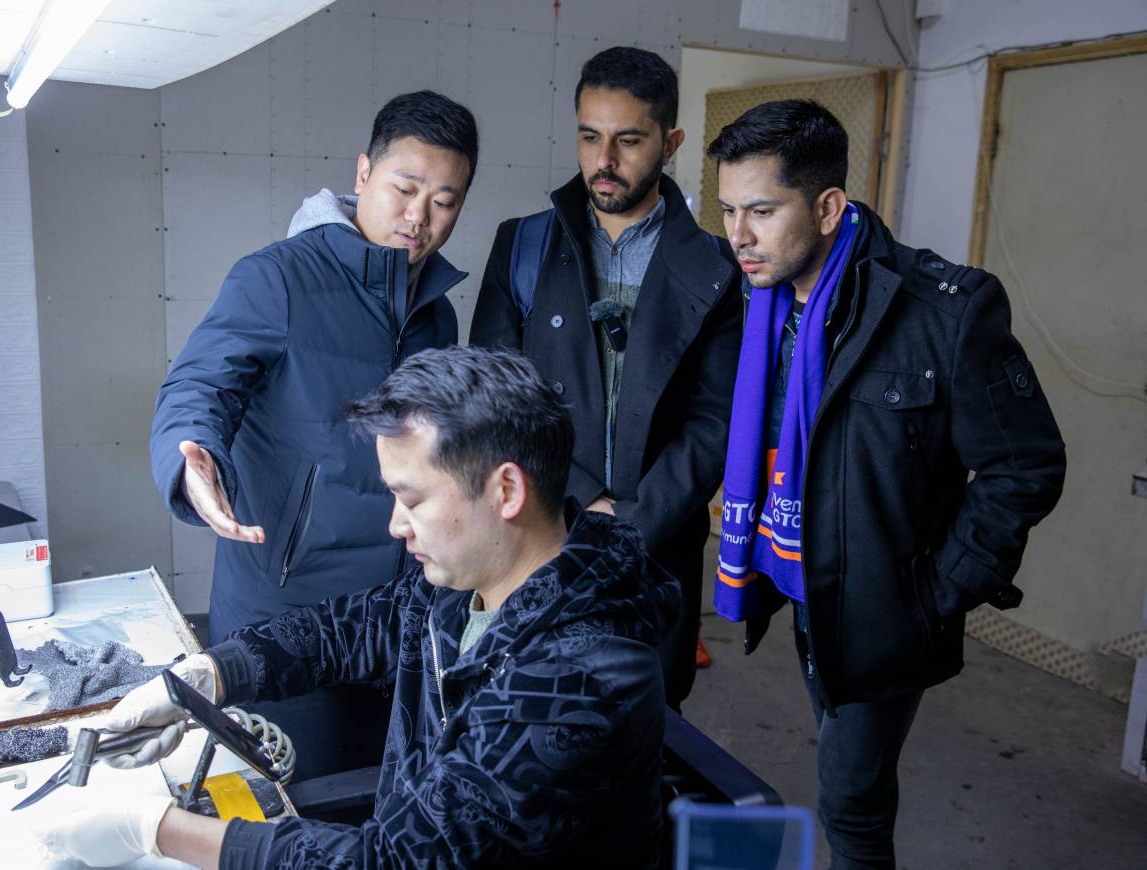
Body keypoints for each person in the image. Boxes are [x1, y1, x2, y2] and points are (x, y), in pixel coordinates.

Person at [36, 345, 679, 869]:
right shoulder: (468, 583)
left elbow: (398, 863)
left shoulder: (578, 678)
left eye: (413, 498)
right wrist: (204, 679)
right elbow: (345, 630)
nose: (396, 524)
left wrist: (154, 829)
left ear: (505, 489)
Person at [708, 99, 1066, 868]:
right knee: (846, 775)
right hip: (800, 578)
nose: (738, 236)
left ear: (830, 206)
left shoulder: (946, 310)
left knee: (851, 804)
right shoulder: (757, 297)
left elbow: (1024, 463)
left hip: (882, 606)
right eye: (729, 210)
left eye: (762, 211)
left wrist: (934, 593)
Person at [148, 91, 478, 779]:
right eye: (404, 188)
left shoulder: (435, 316)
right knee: (290, 799)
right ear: (363, 174)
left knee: (375, 793)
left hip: (391, 613)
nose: (419, 217)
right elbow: (199, 382)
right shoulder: (278, 278)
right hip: (284, 605)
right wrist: (192, 458)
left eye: (444, 201)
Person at [470, 47, 740, 708]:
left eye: (628, 140)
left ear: (671, 142)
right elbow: (494, 393)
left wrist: (636, 520)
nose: (604, 161)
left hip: (658, 545)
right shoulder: (523, 245)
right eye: (590, 137)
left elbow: (718, 420)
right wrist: (585, 499)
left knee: (645, 720)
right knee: (527, 712)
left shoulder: (717, 267)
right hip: (542, 531)